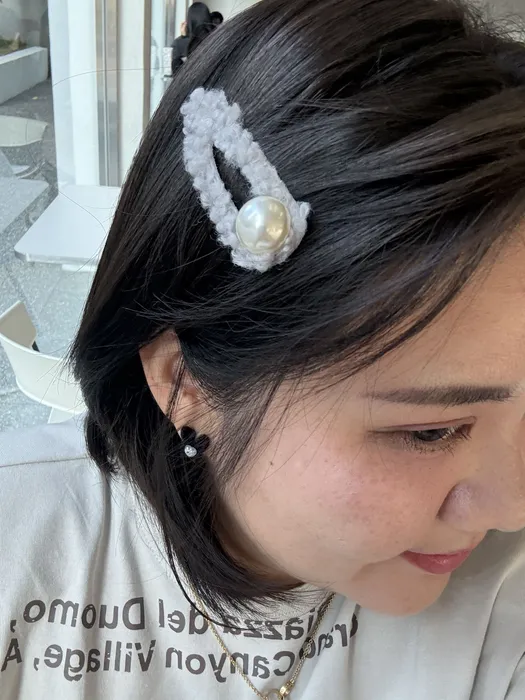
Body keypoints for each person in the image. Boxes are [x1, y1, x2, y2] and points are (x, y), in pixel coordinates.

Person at [3, 0, 525, 697]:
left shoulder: (505, 597)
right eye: (431, 431)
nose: (512, 509)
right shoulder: (20, 547)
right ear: (186, 382)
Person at [171, 2, 213, 75]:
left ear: (189, 20)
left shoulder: (179, 43)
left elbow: (176, 72)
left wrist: (183, 37)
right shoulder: (214, 40)